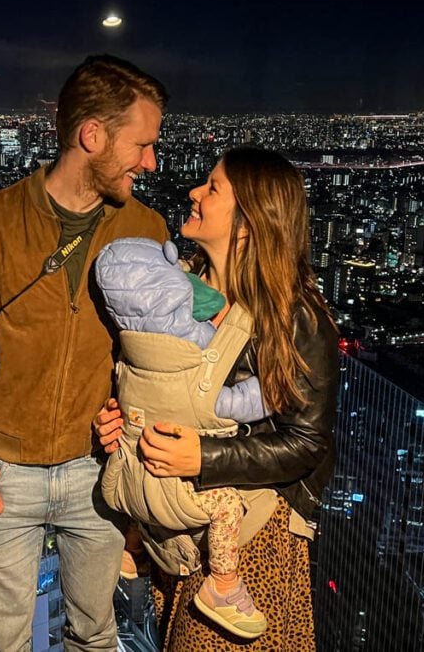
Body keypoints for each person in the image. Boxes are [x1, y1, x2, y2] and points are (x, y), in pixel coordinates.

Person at [0, 54, 170, 651]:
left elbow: (164, 351)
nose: (151, 162)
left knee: (97, 634)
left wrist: (128, 414)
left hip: (97, 469)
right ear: (92, 135)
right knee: (5, 646)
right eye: (143, 144)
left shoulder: (146, 230)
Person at [94, 146, 338, 650]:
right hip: (172, 530)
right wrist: (118, 422)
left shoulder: (295, 318)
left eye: (212, 188)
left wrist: (204, 457)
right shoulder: (170, 292)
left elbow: (307, 442)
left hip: (251, 537)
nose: (194, 193)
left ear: (248, 221)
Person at [94, 236, 271, 639]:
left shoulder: (129, 356)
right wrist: (273, 393)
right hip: (185, 496)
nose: (194, 192)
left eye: (211, 188)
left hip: (126, 482)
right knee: (225, 504)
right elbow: (239, 403)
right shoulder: (197, 361)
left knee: (142, 466)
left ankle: (132, 545)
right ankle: (224, 585)